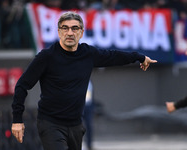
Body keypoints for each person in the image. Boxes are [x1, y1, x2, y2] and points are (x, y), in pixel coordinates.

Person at [11, 11, 157, 150]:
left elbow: (114, 56)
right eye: (65, 28)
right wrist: (17, 119)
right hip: (50, 124)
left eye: (75, 28)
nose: (70, 33)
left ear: (81, 32)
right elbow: (22, 86)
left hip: (76, 125)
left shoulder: (87, 54)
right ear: (59, 32)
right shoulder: (46, 57)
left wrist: (140, 57)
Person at [83, 81, 94, 150]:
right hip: (80, 106)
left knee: (89, 126)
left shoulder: (90, 83)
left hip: (88, 106)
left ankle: (89, 144)